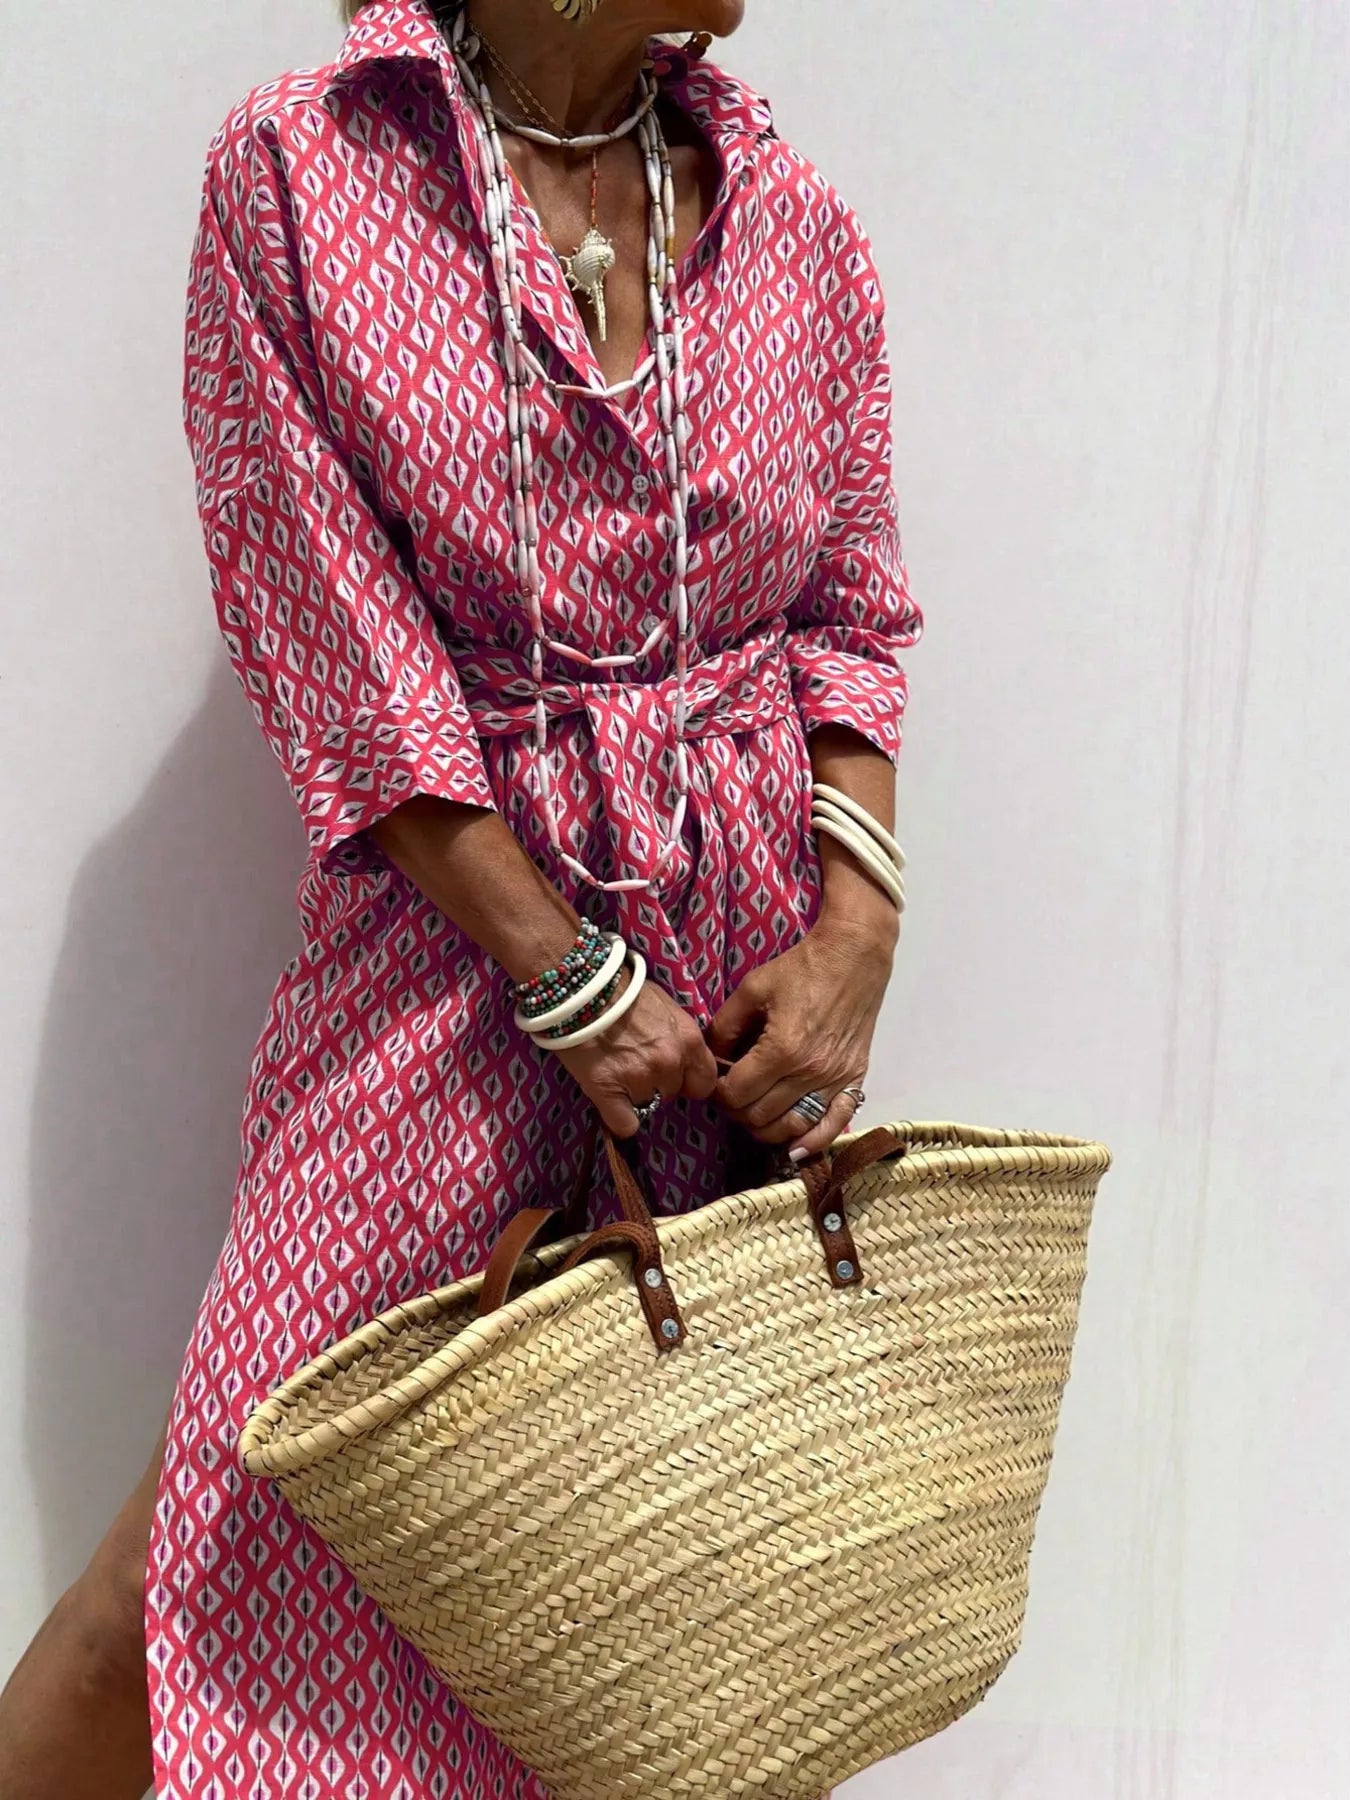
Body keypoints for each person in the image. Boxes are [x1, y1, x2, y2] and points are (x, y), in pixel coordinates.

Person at [0, 0, 921, 1794]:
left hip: (736, 997)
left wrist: (857, 932)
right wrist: (563, 973)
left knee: (638, 1585)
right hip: (444, 981)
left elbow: (849, 615)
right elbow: (328, 634)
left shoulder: (790, 217)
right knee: (204, 1558)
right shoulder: (306, 170)